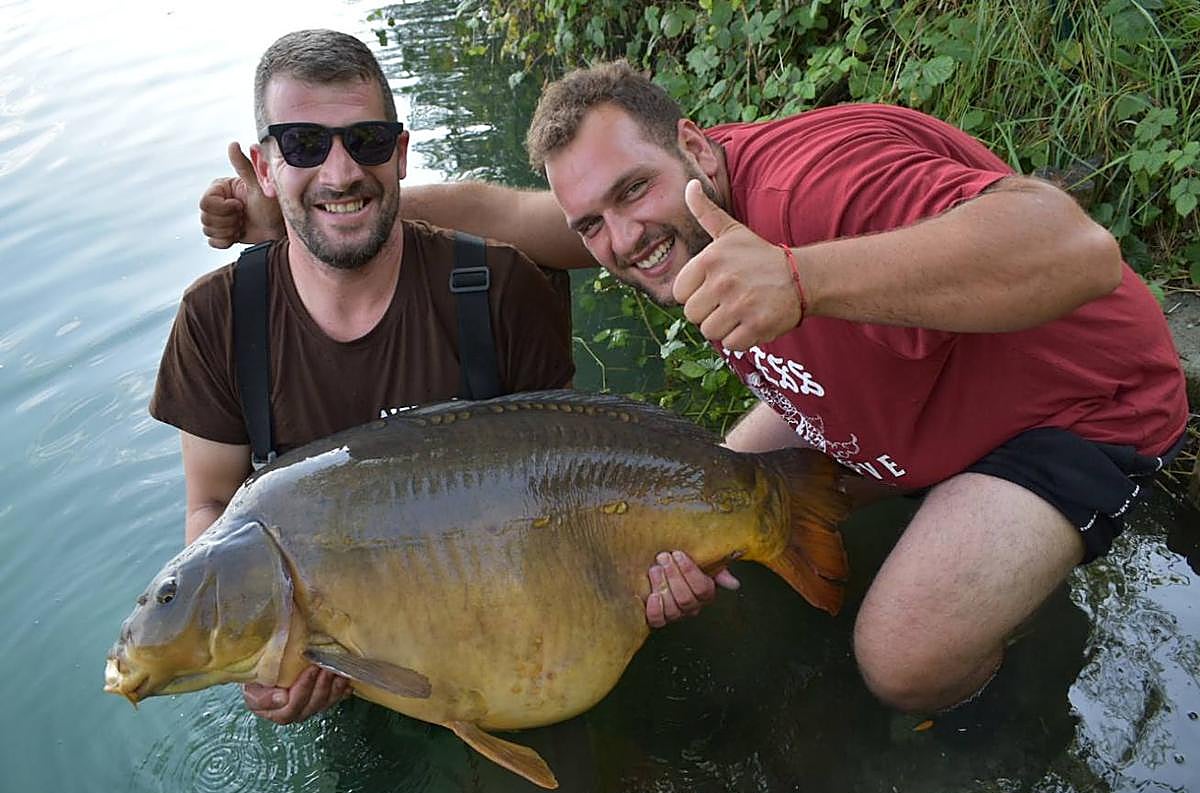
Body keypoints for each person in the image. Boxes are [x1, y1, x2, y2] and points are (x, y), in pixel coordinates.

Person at [200, 60, 1188, 714]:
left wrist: (804, 279)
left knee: (902, 660)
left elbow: (1077, 247)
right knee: (679, 507)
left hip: (1069, 407)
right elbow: (506, 211)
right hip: (879, 403)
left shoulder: (815, 188)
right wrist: (314, 204)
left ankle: (1003, 718)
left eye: (635, 191)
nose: (622, 240)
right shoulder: (626, 228)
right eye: (594, 223)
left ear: (701, 150)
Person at [154, 29, 574, 726]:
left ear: (402, 153)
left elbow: (572, 485)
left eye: (368, 142)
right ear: (265, 167)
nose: (342, 170)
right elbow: (212, 507)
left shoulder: (497, 288)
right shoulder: (215, 321)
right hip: (332, 659)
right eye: (305, 145)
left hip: (509, 634)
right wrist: (253, 657)